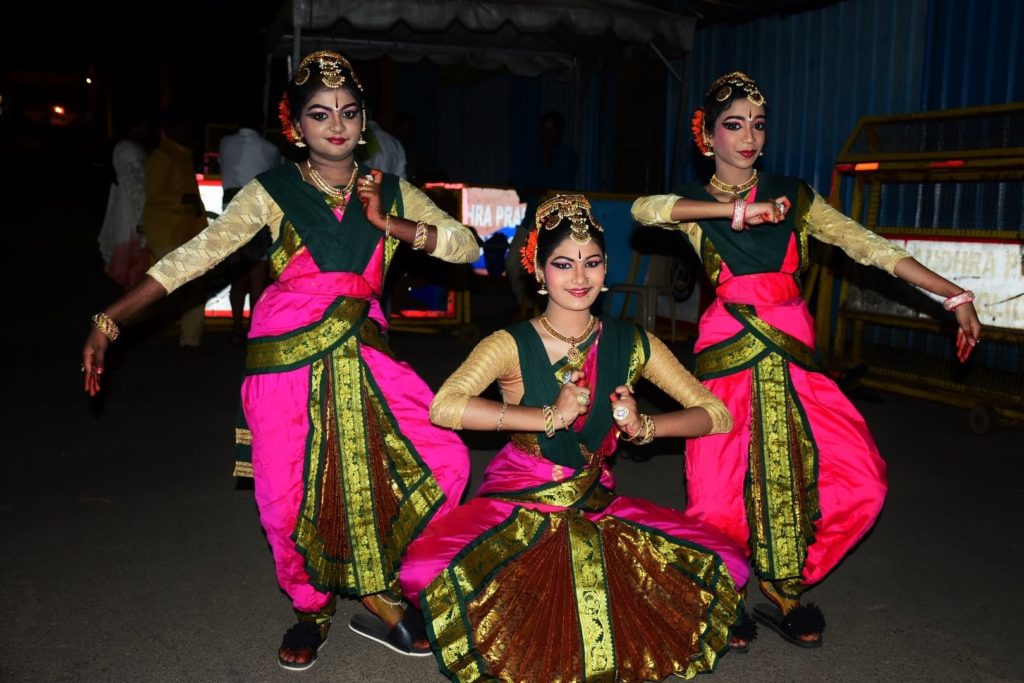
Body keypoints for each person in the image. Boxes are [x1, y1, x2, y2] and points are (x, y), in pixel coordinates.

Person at [81, 50, 482, 671]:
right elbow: (197, 255)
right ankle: (310, 609)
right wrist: (111, 319)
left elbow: (465, 246)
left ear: (365, 121)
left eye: (349, 112)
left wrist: (389, 223)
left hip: (364, 351)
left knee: (440, 456)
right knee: (286, 490)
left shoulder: (393, 192)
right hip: (284, 361)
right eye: (319, 115)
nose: (336, 126)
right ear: (295, 127)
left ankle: (382, 591)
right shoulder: (272, 193)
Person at [631, 72, 982, 649]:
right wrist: (736, 214)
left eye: (758, 124)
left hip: (793, 353)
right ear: (707, 137)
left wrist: (953, 295)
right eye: (733, 125)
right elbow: (646, 211)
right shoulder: (695, 209)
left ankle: (784, 582)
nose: (748, 137)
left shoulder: (794, 196)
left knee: (858, 477)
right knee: (718, 491)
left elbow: (870, 248)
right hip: (730, 354)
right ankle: (725, 588)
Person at [398, 194, 750, 682]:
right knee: (421, 571)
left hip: (592, 499)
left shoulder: (633, 343)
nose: (580, 277)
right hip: (519, 500)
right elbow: (446, 405)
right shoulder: (509, 343)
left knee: (726, 561)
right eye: (563, 264)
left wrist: (644, 426)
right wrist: (548, 415)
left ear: (606, 270)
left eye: (592, 263)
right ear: (539, 271)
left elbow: (716, 415)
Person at [141, 106, 208, 349]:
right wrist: (184, 200)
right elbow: (153, 196)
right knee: (161, 290)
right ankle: (124, 329)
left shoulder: (182, 156)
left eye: (189, 126)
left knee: (192, 288)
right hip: (166, 232)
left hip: (185, 233)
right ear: (168, 130)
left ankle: (190, 340)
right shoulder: (162, 157)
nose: (188, 131)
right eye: (182, 126)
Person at [218, 111, 283, 341]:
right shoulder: (270, 149)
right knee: (257, 277)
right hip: (258, 214)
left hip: (233, 214)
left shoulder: (225, 143)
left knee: (238, 275)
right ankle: (253, 331)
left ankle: (235, 328)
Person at [506, 110, 580, 305]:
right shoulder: (531, 154)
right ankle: (526, 306)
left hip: (557, 223)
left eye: (552, 129)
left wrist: (539, 181)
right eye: (544, 129)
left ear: (561, 131)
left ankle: (552, 312)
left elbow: (555, 182)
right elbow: (523, 183)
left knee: (551, 269)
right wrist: (534, 186)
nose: (547, 134)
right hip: (531, 219)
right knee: (513, 263)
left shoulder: (568, 155)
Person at [97, 115, 151, 289]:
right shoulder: (128, 148)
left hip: (130, 209)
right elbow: (136, 186)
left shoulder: (130, 147)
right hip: (131, 211)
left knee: (137, 268)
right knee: (135, 264)